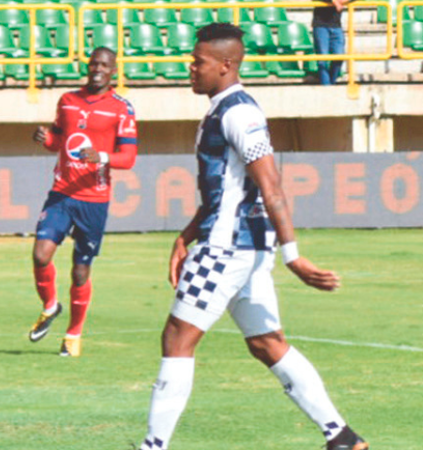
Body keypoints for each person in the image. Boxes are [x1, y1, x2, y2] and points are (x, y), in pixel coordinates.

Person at [135, 23, 367, 450]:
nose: (191, 68)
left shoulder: (239, 113)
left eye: (198, 62)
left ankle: (154, 446)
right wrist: (185, 235)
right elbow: (225, 189)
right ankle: (343, 438)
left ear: (225, 65)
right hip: (243, 246)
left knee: (177, 337)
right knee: (267, 343)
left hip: (227, 248)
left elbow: (271, 184)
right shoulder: (222, 109)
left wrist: (294, 255)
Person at [26, 47, 138, 357]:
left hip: (94, 200)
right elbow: (60, 142)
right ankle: (50, 307)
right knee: (40, 254)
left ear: (113, 71)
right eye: (93, 64)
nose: (97, 69)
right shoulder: (68, 101)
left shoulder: (122, 109)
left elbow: (128, 158)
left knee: (79, 272)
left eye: (104, 65)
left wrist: (101, 157)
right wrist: (46, 139)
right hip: (62, 193)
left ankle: (73, 335)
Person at [312, 0, 350, 85]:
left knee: (339, 56)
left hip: (336, 25)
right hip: (320, 25)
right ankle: (326, 85)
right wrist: (334, 2)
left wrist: (341, 1)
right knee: (322, 59)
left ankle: (331, 83)